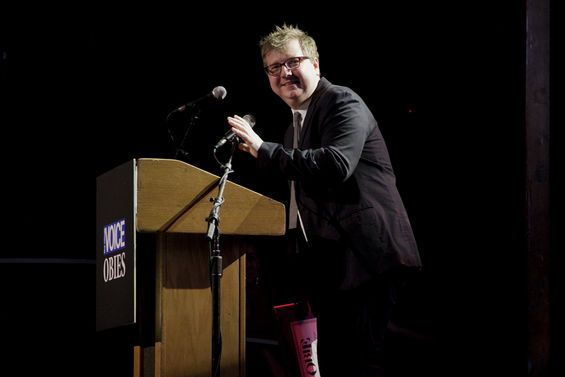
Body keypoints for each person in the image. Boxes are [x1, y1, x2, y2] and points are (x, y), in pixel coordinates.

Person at [227, 24, 422, 377]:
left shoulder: (341, 102)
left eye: (292, 62)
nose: (284, 73)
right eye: (274, 67)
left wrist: (262, 148)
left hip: (367, 260)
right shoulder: (293, 128)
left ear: (315, 65)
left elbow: (336, 164)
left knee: (363, 363)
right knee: (337, 365)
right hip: (330, 267)